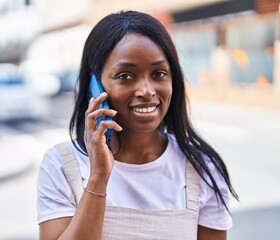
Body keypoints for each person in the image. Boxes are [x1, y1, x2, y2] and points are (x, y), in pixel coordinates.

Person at [37, 11, 238, 240]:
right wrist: (99, 175)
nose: (147, 91)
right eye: (125, 76)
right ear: (95, 84)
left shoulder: (202, 169)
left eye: (159, 73)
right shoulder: (62, 165)